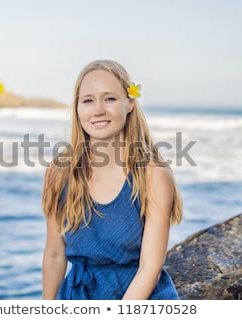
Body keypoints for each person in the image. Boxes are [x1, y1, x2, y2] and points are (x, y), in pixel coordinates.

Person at [41, 59, 182, 300]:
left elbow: (150, 267)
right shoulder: (59, 172)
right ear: (77, 108)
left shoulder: (153, 175)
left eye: (109, 99)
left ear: (129, 103)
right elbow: (55, 253)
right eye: (88, 100)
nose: (98, 110)